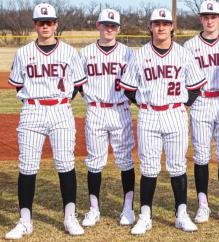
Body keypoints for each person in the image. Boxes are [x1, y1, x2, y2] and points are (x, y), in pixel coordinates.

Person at [119, 8, 207, 235]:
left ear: (172, 27)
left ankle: (181, 214)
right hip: (149, 114)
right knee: (149, 168)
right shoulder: (139, 55)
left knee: (177, 166)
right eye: (156, 23)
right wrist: (144, 103)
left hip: (175, 113)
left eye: (165, 23)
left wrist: (182, 105)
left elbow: (196, 86)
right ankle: (145, 215)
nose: (161, 27)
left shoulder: (183, 53)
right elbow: (128, 89)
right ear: (150, 27)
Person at [5, 3, 87, 239]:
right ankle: (25, 221)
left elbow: (76, 85)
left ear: (56, 24)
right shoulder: (23, 53)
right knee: (27, 167)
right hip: (32, 110)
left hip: (61, 110)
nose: (45, 26)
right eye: (41, 22)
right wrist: (36, 102)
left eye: (49, 22)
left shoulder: (70, 52)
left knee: (65, 164)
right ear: (35, 25)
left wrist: (59, 101)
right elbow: (19, 84)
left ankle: (70, 218)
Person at [78, 8, 136, 228]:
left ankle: (128, 208)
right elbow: (78, 82)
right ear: (98, 26)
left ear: (118, 29)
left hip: (120, 109)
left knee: (125, 161)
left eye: (113, 26)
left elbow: (136, 82)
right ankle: (94, 209)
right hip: (96, 110)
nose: (109, 29)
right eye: (105, 25)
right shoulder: (85, 53)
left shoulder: (128, 53)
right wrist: (91, 99)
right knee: (94, 161)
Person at [183, 0, 219, 223]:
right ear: (201, 19)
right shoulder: (189, 46)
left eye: (213, 16)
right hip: (201, 102)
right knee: (201, 156)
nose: (209, 20)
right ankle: (203, 205)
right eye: (206, 16)